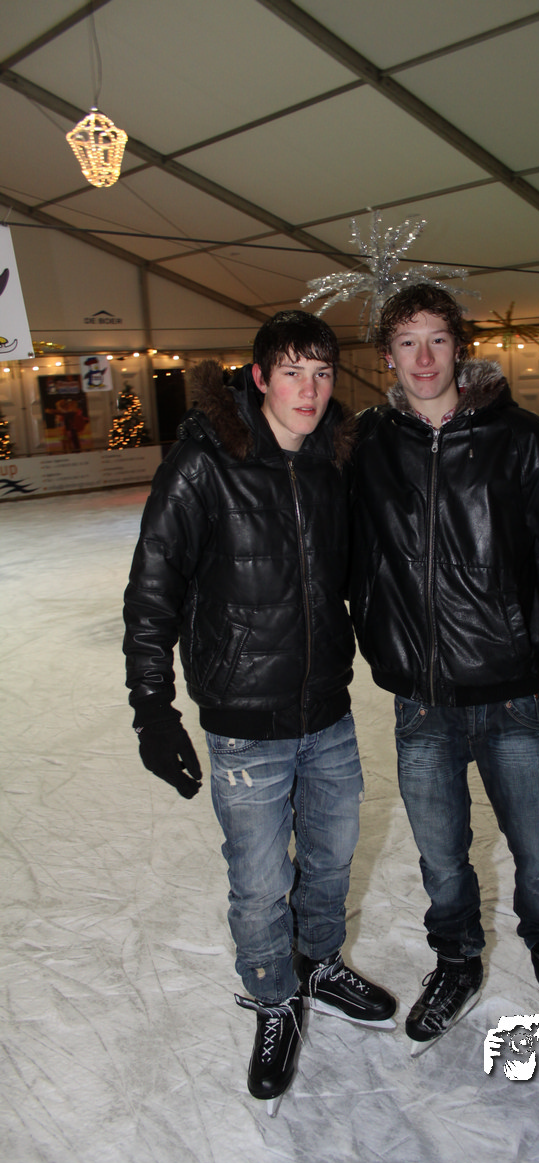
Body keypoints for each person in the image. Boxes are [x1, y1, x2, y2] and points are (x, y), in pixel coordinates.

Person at [123, 311, 396, 1112]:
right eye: (293, 373)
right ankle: (275, 996)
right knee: (258, 883)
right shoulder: (203, 463)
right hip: (245, 722)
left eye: (322, 373)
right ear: (260, 378)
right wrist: (152, 709)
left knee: (332, 858)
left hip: (328, 711)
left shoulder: (333, 461)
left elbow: (363, 570)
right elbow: (153, 588)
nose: (310, 390)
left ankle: (320, 963)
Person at [350, 284, 539, 1053]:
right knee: (442, 860)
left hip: (512, 695)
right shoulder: (368, 445)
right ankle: (457, 964)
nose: (423, 357)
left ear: (459, 347)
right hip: (421, 700)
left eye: (437, 339)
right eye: (407, 342)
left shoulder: (519, 438)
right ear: (388, 356)